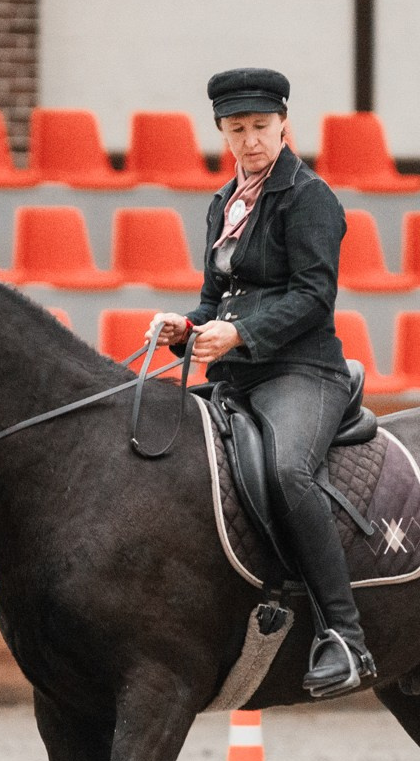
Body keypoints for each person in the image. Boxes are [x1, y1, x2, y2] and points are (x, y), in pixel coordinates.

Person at [156, 67, 376, 698]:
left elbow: (313, 296)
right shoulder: (223, 203)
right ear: (222, 132)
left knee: (287, 471)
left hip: (303, 370)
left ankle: (345, 637)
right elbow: (215, 299)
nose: (250, 140)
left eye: (260, 126)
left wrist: (240, 335)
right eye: (236, 129)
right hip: (237, 376)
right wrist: (186, 327)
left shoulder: (310, 197)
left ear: (283, 125)